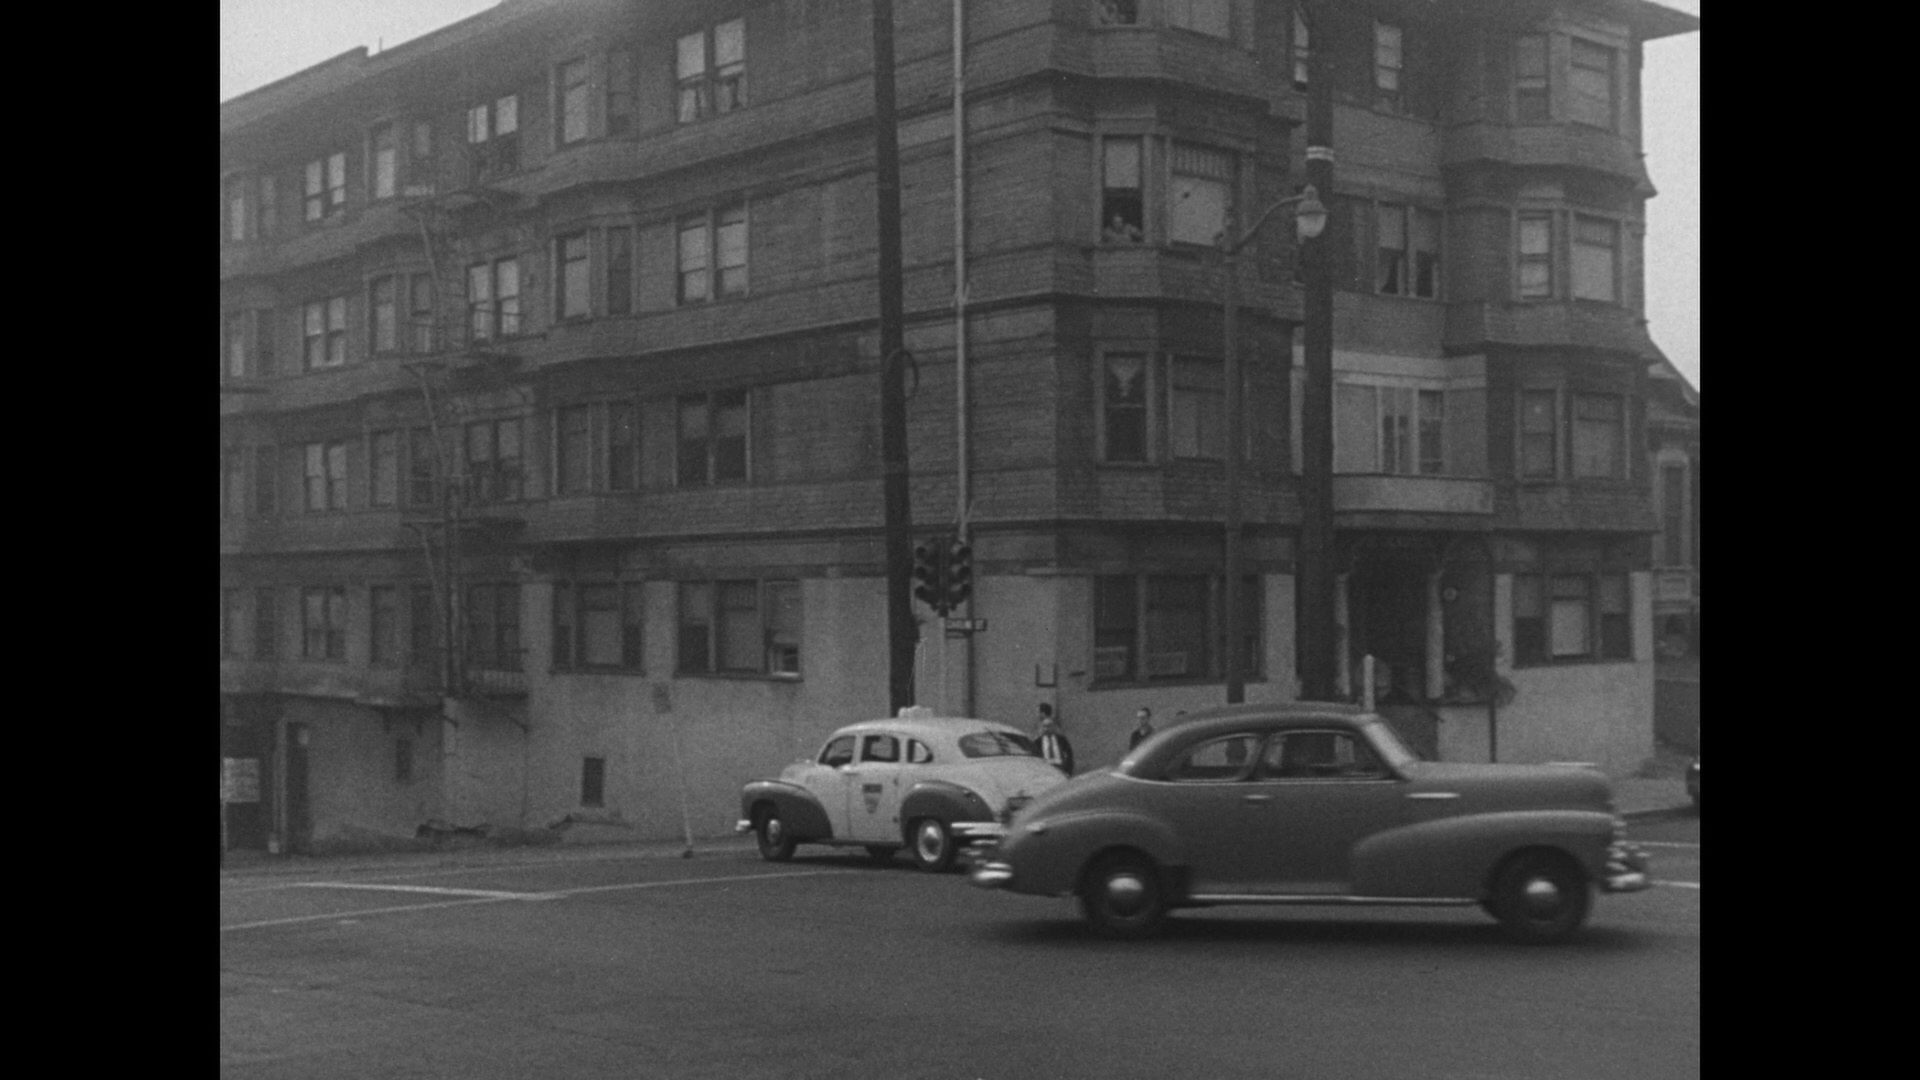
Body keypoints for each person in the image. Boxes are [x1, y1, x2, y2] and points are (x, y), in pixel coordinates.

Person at [1036, 705, 1075, 776]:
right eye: (1044, 726)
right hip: (1046, 768)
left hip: (1060, 767)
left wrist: (1068, 771)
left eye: (1049, 726)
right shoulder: (1038, 742)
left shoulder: (1061, 739)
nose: (1046, 729)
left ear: (1053, 727)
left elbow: (1069, 754)